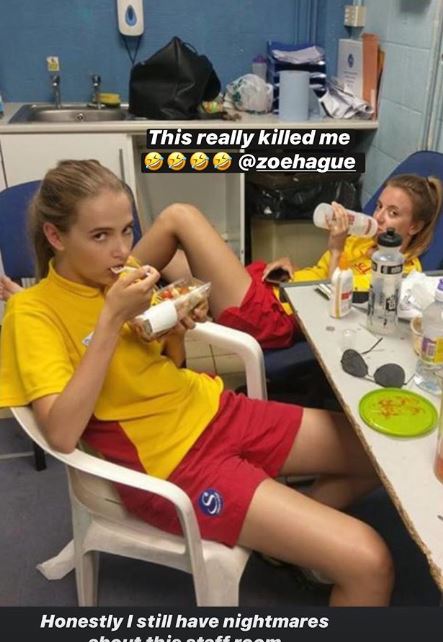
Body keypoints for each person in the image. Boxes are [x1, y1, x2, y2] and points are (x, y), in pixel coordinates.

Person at [0, 159, 394, 606]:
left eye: (127, 230)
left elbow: (164, 365)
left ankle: (293, 547)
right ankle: (306, 541)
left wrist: (175, 332)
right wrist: (111, 319)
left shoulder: (123, 275)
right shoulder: (31, 313)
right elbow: (61, 432)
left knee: (378, 453)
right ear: (55, 237)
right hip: (174, 462)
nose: (121, 250)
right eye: (100, 236)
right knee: (370, 561)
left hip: (215, 408)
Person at [128, 174, 442, 349]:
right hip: (275, 291)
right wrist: (290, 267)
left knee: (179, 217)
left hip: (277, 318)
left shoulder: (401, 274)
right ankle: (115, 292)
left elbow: (336, 309)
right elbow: (318, 276)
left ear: (414, 227)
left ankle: (111, 294)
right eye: (380, 206)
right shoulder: (363, 240)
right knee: (173, 257)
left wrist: (335, 247)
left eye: (393, 213)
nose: (379, 217)